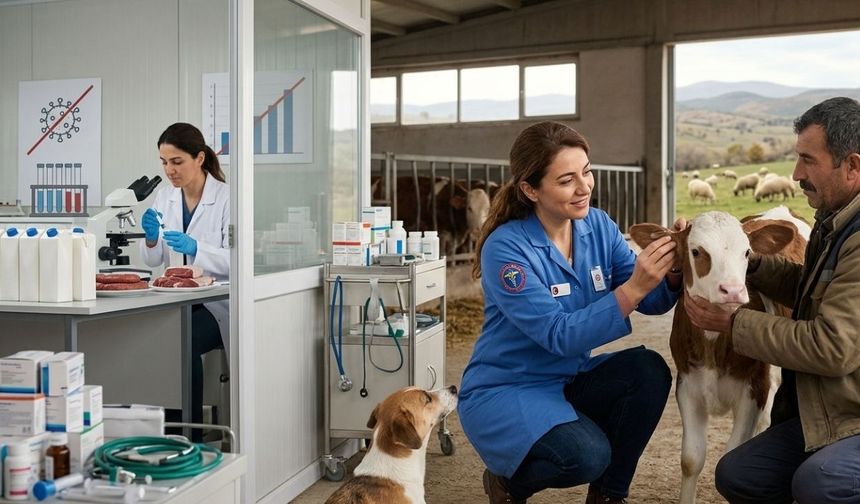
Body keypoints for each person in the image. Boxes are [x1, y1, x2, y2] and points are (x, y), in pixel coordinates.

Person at [458, 121, 684, 504]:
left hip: (567, 377)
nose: (584, 188)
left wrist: (674, 265)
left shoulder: (597, 225)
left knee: (648, 370)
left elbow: (654, 300)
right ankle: (506, 484)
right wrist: (633, 287)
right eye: (566, 180)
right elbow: (559, 334)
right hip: (510, 388)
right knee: (586, 456)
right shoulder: (507, 250)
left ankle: (610, 497)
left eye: (587, 171)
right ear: (530, 189)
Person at [686, 97, 860, 504]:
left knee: (821, 483)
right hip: (835, 410)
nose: (796, 173)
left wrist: (732, 324)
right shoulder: (836, 220)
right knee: (739, 475)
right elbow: (814, 289)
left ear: (853, 166)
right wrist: (745, 263)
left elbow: (833, 348)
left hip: (853, 415)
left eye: (808, 160)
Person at [140, 122, 230, 437]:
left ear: (200, 158)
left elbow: (238, 262)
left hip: (216, 305)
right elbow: (152, 261)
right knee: (154, 340)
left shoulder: (226, 198)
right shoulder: (164, 197)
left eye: (177, 162)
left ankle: (186, 436)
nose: (170, 170)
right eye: (164, 162)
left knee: (181, 342)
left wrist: (197, 249)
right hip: (175, 300)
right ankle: (165, 432)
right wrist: (151, 239)